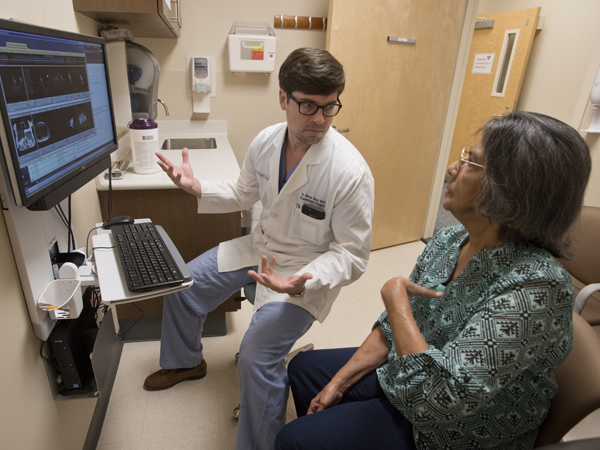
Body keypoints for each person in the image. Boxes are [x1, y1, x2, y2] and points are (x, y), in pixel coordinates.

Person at [275, 111, 592, 450]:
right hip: (414, 376)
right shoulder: (451, 239)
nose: (453, 168)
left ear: (510, 191)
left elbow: (439, 399)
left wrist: (396, 300)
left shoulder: (535, 287)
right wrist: (336, 386)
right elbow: (391, 330)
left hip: (458, 429)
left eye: (471, 162)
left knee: (295, 441)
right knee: (305, 370)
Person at [145, 47, 375, 450]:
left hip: (306, 272)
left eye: (329, 107)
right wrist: (195, 186)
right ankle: (185, 361)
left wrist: (305, 279)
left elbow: (353, 255)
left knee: (255, 357)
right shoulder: (266, 141)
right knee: (182, 284)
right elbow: (242, 192)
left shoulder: (350, 171)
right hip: (259, 248)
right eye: (308, 106)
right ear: (284, 98)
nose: (320, 119)